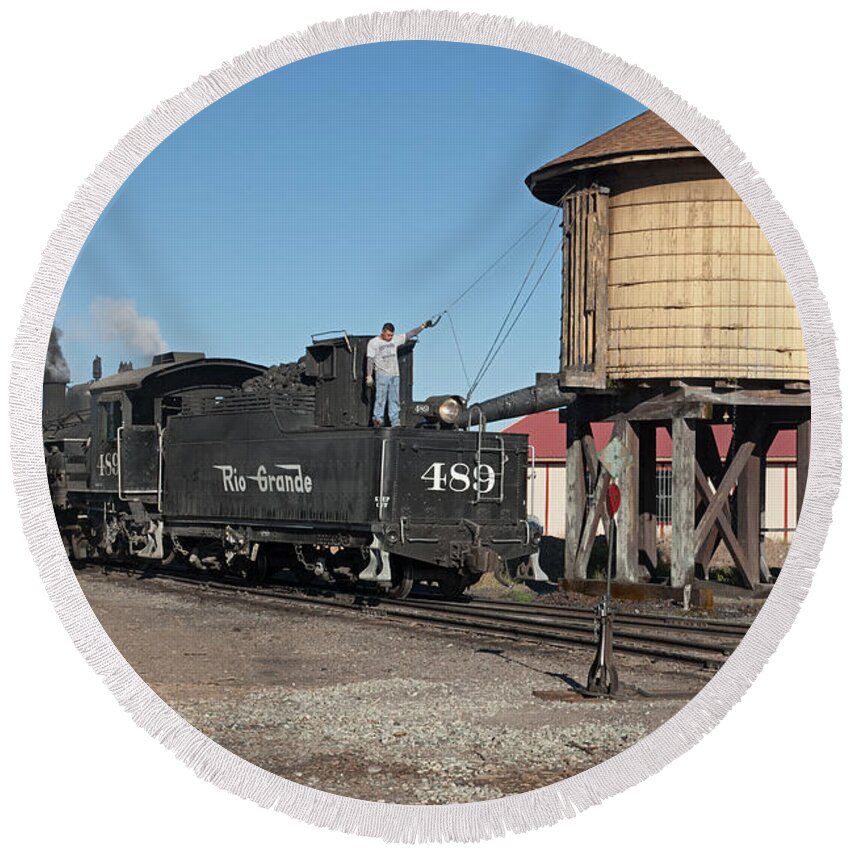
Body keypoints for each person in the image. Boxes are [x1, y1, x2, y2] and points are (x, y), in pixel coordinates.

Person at [366, 319, 434, 427]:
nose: (390, 337)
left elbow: (410, 334)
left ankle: (395, 421)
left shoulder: (395, 340)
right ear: (383, 332)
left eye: (391, 335)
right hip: (382, 374)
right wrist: (369, 375)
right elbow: (370, 359)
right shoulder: (374, 343)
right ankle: (378, 419)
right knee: (380, 398)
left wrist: (422, 326)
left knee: (394, 399)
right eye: (388, 335)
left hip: (394, 374)